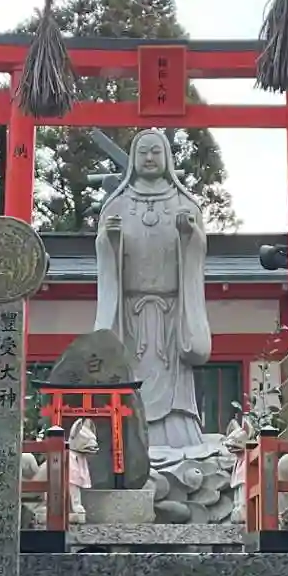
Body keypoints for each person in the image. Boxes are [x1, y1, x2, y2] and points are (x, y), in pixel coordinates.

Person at [93, 129, 212, 453]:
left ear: (167, 158)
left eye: (155, 152)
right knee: (129, 374)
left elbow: (197, 249)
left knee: (175, 380)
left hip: (172, 311)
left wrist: (190, 235)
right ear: (133, 157)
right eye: (143, 151)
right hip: (129, 312)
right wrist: (109, 240)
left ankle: (178, 432)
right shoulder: (118, 203)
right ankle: (127, 438)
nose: (148, 158)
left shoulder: (183, 203)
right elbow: (104, 250)